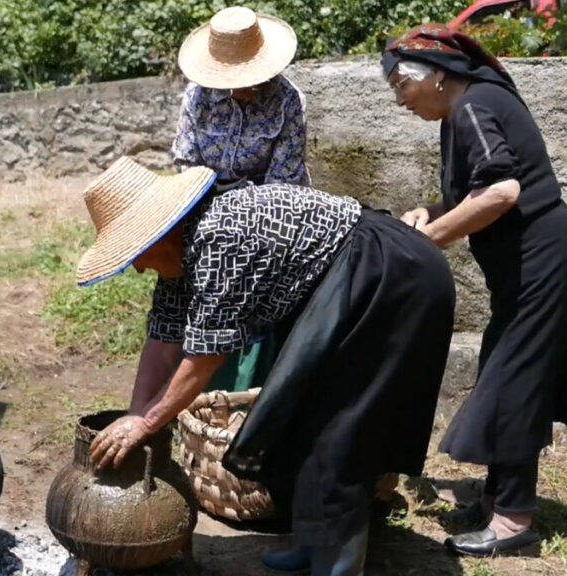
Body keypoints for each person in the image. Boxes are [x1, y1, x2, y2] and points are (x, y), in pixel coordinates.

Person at [79, 156, 456, 576]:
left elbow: (203, 361)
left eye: (135, 252)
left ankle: (339, 565)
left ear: (158, 233)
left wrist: (146, 424)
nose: (137, 265)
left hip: (389, 275)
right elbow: (163, 341)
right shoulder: (179, 256)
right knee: (303, 417)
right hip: (348, 281)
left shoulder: (218, 236)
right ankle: (313, 543)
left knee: (342, 432)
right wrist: (134, 415)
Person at [382, 25, 567, 556]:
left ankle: (512, 520)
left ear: (437, 75)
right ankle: (495, 497)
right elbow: (482, 187)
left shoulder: (471, 107)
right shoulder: (462, 110)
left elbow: (504, 191)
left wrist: (432, 239)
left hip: (548, 262)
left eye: (401, 85)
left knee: (514, 383)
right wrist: (432, 211)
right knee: (502, 369)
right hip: (533, 266)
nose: (399, 100)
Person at [172, 5, 308, 394]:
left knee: (254, 302)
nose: (244, 87)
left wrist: (239, 220)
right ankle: (194, 392)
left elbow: (285, 180)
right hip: (206, 204)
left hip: (269, 213)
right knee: (202, 302)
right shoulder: (198, 97)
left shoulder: (287, 101)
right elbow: (185, 159)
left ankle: (250, 394)